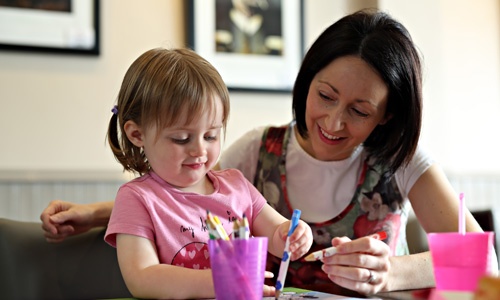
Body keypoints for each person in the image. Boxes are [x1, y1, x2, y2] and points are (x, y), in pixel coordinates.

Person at [40, 9, 498, 296]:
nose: (334, 123)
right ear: (306, 81)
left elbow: (482, 265)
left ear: (388, 116)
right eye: (325, 95)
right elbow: (183, 192)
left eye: (359, 110)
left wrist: (393, 272)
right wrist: (98, 213)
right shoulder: (261, 149)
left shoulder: (402, 158)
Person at [97, 47, 312, 299]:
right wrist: (218, 281)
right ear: (137, 135)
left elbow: (277, 233)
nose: (199, 149)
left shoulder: (237, 186)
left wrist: (293, 235)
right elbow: (142, 277)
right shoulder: (137, 198)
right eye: (181, 138)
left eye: (211, 135)